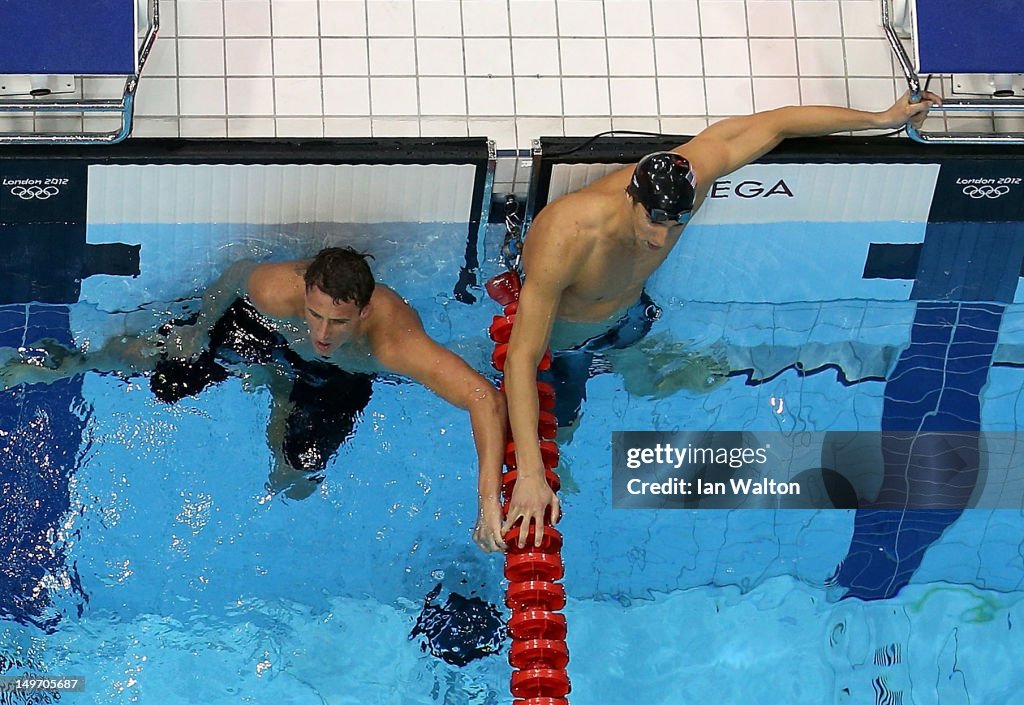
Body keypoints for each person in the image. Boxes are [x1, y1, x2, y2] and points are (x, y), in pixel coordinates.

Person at [501, 91, 942, 548]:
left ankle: (642, 368)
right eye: (652, 221)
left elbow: (776, 122)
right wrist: (532, 473)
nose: (660, 237)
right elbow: (522, 356)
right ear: (631, 195)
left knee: (653, 383)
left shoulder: (694, 174)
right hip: (566, 346)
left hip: (628, 316)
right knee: (562, 429)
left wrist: (880, 118)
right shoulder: (568, 234)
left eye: (675, 224)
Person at [3, 248, 509, 553]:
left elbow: (482, 397)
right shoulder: (275, 292)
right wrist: (200, 329)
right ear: (303, 294)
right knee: (166, 358)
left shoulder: (395, 341)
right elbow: (237, 275)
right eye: (316, 314)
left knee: (295, 476)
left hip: (334, 379)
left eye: (339, 321)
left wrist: (488, 502)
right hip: (268, 336)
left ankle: (280, 388)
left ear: (366, 309)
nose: (324, 332)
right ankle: (79, 362)